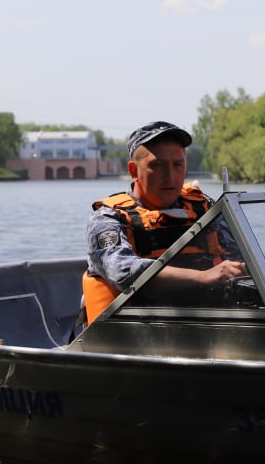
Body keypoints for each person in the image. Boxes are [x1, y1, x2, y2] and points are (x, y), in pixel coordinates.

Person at [83, 121, 245, 322]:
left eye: (177, 165)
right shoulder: (108, 217)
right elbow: (121, 269)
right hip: (141, 332)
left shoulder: (204, 207)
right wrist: (203, 277)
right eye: (157, 166)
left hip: (212, 321)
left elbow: (237, 256)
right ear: (134, 171)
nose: (170, 177)